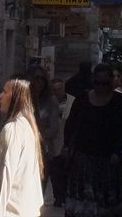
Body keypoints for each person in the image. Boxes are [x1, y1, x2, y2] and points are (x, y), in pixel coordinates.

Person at [63, 62, 122, 217]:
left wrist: (116, 151)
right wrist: (66, 145)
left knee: (108, 202)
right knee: (84, 201)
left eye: (105, 83)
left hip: (107, 160)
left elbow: (120, 127)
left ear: (110, 83)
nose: (101, 87)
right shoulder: (82, 99)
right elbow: (71, 124)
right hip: (83, 158)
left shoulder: (118, 101)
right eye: (97, 83)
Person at [0, 76, 44, 217]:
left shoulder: (13, 129)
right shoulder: (27, 126)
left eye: (4, 92)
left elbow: (3, 177)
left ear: (17, 97)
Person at [27, 66, 60, 177]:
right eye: (37, 78)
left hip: (42, 150)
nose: (40, 82)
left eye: (42, 79)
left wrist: (36, 133)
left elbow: (54, 129)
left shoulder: (51, 101)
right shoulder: (24, 99)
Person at [48, 78, 74, 207]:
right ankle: (58, 197)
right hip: (52, 144)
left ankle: (66, 196)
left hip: (67, 143)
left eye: (60, 89)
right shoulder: (48, 103)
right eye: (55, 89)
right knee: (55, 172)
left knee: (67, 172)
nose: (57, 92)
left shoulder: (72, 102)